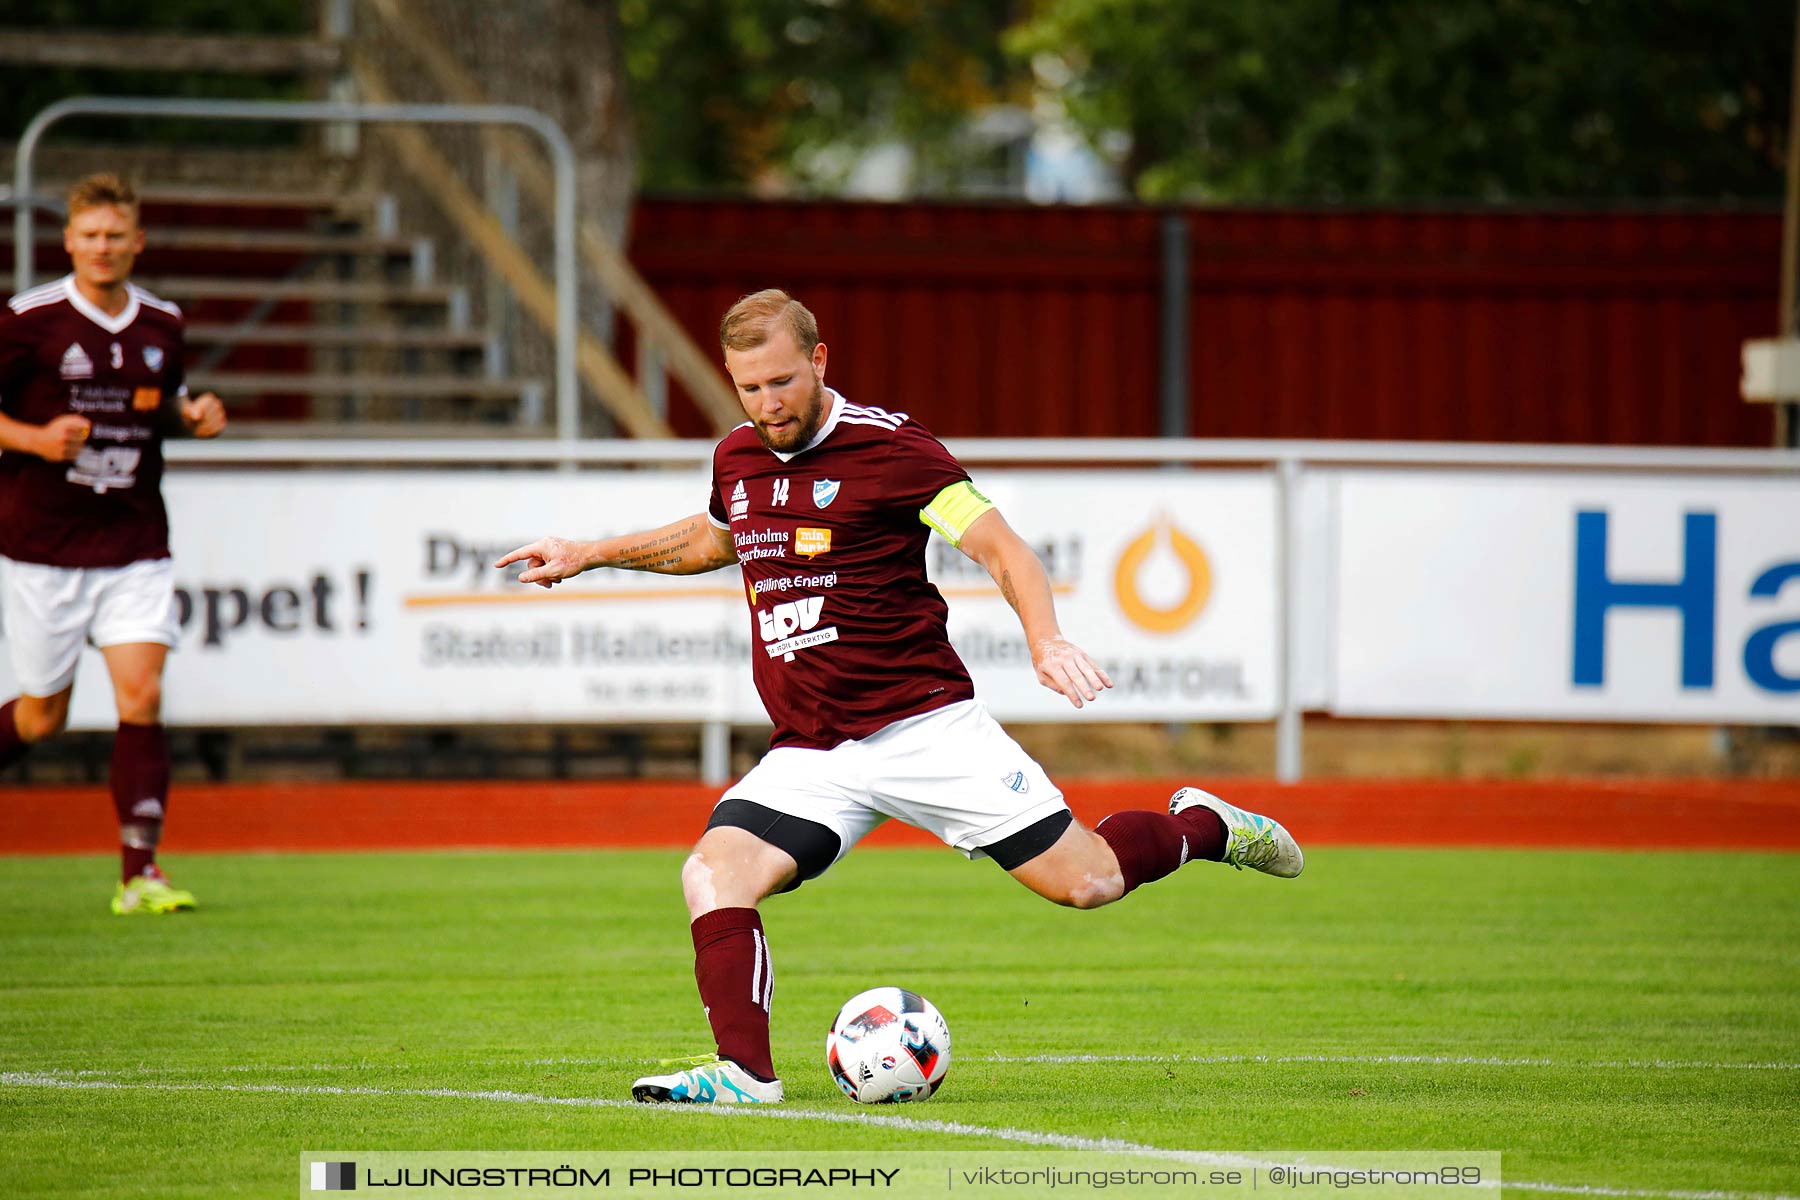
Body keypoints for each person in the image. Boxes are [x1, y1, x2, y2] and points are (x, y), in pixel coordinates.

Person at [496, 289, 1302, 1105]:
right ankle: (746, 1076)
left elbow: (1003, 548)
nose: (767, 405)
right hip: (811, 749)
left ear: (818, 360)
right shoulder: (737, 458)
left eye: (781, 382)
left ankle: (1207, 826)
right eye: (748, 388)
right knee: (711, 874)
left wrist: (1045, 639)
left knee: (1086, 882)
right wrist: (589, 552)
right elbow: (714, 536)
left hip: (924, 728)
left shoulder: (895, 450)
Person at [0, 173, 226, 915]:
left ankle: (141, 872)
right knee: (41, 717)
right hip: (43, 545)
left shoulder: (163, 323)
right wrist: (34, 439)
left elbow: (158, 408)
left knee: (143, 693)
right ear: (69, 241)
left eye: (115, 235)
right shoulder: (29, 319)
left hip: (134, 540)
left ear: (138, 241)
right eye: (89, 235)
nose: (103, 247)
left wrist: (189, 418)